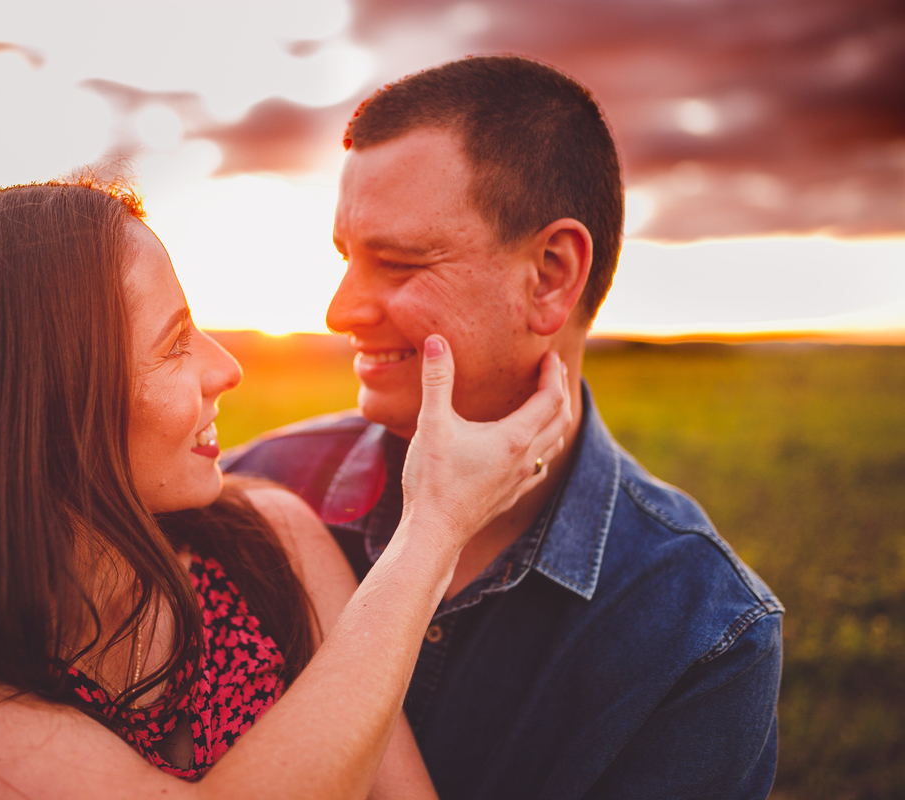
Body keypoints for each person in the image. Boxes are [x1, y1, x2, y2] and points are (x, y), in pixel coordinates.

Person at [0, 178, 573, 799]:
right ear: (40, 403)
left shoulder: (272, 539)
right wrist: (434, 529)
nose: (225, 368)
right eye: (172, 344)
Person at [223, 56, 784, 799]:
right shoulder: (250, 492)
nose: (340, 311)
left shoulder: (703, 631)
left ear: (551, 274)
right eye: (348, 259)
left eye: (395, 262)